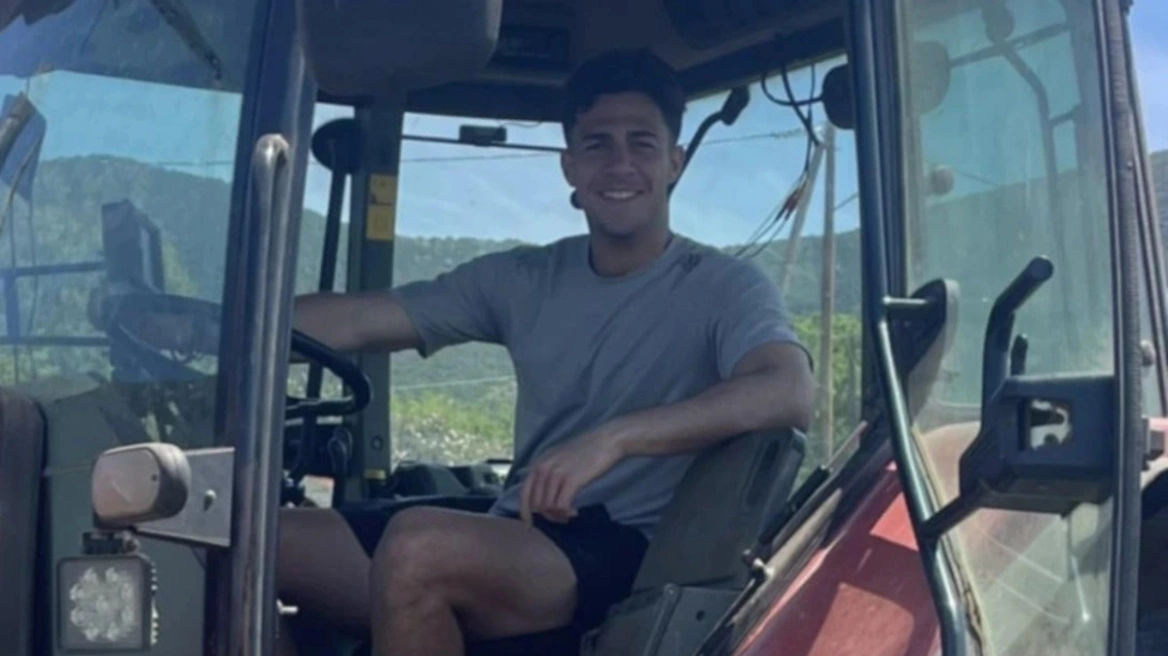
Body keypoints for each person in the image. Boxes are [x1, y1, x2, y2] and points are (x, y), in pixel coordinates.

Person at [276, 48, 816, 656]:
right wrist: (223, 329)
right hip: (523, 527)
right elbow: (362, 319)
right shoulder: (525, 279)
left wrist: (615, 439)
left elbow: (786, 389)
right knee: (253, 536)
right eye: (597, 144)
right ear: (569, 166)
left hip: (628, 552)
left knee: (417, 547)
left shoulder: (724, 287)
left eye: (641, 143)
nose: (619, 164)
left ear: (674, 161)